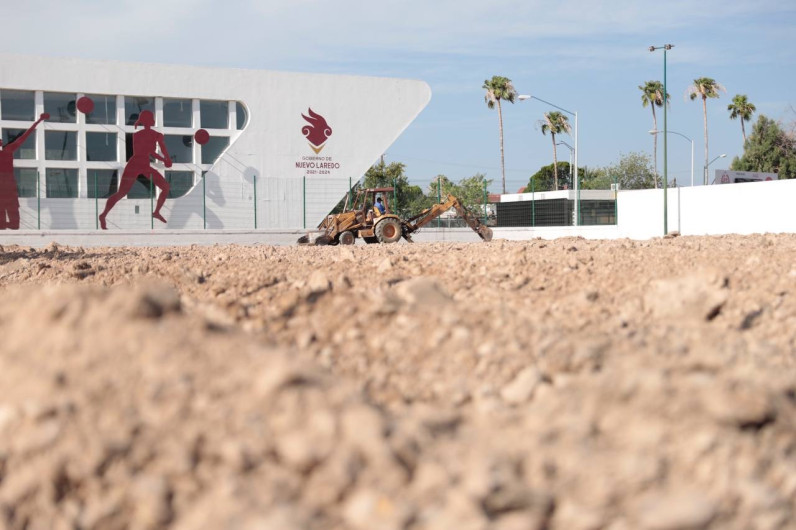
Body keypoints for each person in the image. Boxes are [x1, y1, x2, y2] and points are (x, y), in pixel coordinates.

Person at [98, 110, 171, 229]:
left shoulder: (145, 135)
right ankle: (103, 215)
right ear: (150, 121)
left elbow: (154, 151)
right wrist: (166, 159)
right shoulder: (144, 135)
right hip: (137, 163)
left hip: (142, 164)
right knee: (122, 193)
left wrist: (165, 159)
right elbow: (152, 151)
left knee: (165, 187)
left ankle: (156, 212)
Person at [0, 113, 48, 229]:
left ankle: (8, 224)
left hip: (8, 181)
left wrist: (38, 122)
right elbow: (23, 137)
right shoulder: (8, 150)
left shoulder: (8, 150)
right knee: (8, 210)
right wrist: (38, 121)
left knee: (11, 212)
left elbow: (24, 136)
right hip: (7, 181)